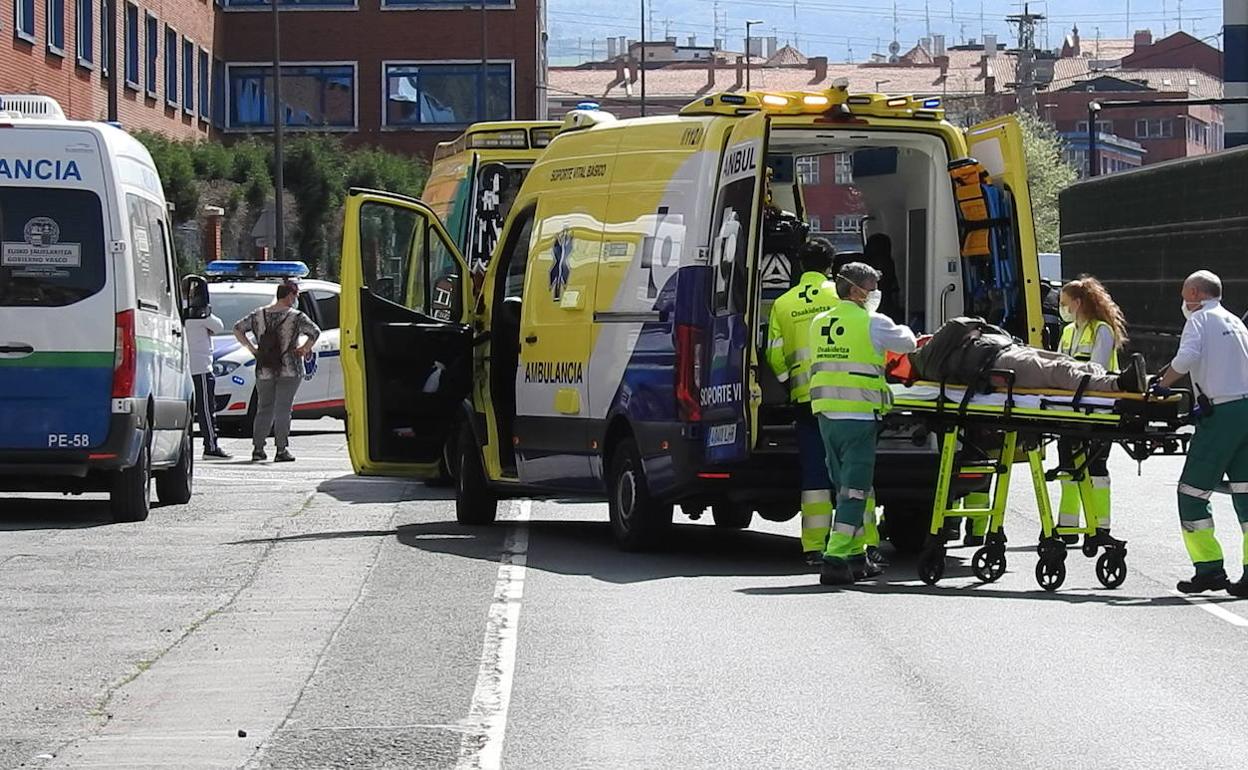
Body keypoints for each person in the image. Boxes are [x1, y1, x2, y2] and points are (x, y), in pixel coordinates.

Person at [811, 262, 917, 586]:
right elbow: (909, 343)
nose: (874, 294)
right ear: (856, 291)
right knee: (856, 491)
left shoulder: (819, 321)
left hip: (826, 415)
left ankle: (856, 557)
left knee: (843, 486)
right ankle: (835, 557)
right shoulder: (872, 322)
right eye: (871, 287)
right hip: (858, 417)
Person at [1154, 271, 1248, 596]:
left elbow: (1187, 358)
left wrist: (1161, 385)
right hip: (1245, 410)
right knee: (1246, 493)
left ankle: (1209, 569)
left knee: (1191, 493)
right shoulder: (1236, 323)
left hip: (1221, 415)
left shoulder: (1198, 320)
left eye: (1184, 294)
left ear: (1194, 293)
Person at [765, 238, 841, 565]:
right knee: (851, 471)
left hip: (806, 399)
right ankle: (854, 543)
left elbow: (773, 353)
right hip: (845, 397)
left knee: (814, 472)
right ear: (830, 267)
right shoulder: (843, 297)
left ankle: (813, 546)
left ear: (799, 265)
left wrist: (788, 382)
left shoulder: (782, 304)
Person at [1055, 277, 1129, 546]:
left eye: (1064, 303)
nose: (1062, 309)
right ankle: (1068, 524)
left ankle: (1100, 526)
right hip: (1069, 407)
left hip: (1099, 407)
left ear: (1078, 303)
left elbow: (1097, 368)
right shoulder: (1067, 332)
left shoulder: (1102, 331)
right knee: (1067, 465)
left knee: (1096, 466)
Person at [903, 316, 1147, 394]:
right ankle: (1118, 384)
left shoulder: (939, 355)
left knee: (1065, 362)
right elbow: (956, 324)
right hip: (997, 364)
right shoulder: (925, 356)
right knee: (1057, 372)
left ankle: (1112, 376)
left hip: (1006, 352)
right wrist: (980, 323)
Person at [233, 280, 321, 463]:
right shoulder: (296, 317)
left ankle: (258, 448)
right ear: (289, 295)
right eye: (295, 295)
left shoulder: (258, 314)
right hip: (290, 367)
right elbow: (315, 332)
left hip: (264, 367)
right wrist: (304, 349)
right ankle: (281, 449)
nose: (295, 299)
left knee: (264, 408)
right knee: (283, 408)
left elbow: (238, 328)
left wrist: (252, 349)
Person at [186, 307, 231, 459]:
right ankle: (210, 446)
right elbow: (218, 326)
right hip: (200, 368)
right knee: (206, 409)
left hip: (181, 367)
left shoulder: (178, 310)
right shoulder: (199, 313)